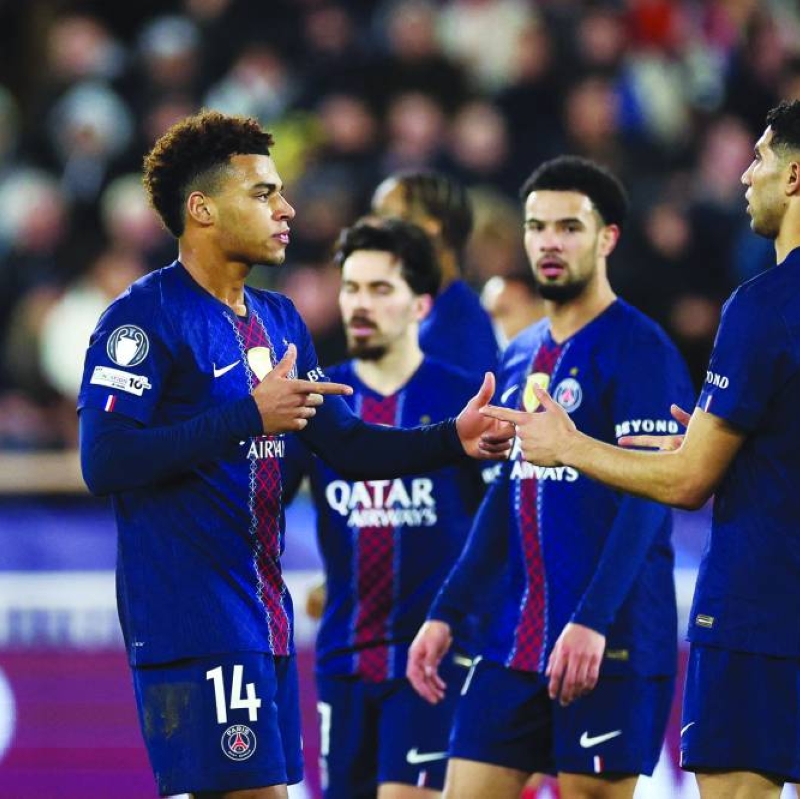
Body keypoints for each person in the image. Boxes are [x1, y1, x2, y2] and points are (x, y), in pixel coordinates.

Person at [476, 100, 800, 799]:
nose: (747, 175)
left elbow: (687, 483)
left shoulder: (765, 302)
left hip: (760, 612)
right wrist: (746, 452)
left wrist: (570, 444)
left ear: (796, 177)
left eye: (761, 158)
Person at [76, 110, 511, 799]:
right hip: (192, 622)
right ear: (203, 210)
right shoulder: (142, 319)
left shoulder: (278, 319)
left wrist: (450, 437)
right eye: (263, 194)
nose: (287, 209)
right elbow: (104, 461)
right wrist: (251, 415)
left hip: (265, 620)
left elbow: (346, 444)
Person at [406, 156, 693, 799]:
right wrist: (447, 611)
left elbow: (648, 499)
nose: (549, 243)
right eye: (537, 227)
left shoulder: (642, 350)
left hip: (609, 641)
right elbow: (506, 497)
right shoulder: (518, 351)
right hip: (515, 641)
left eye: (569, 227)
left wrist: (594, 621)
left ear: (607, 238)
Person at [304, 216, 489, 798]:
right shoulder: (315, 402)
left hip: (435, 657)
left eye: (381, 289)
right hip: (343, 658)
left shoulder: (464, 400)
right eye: (351, 288)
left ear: (420, 305)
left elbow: (503, 528)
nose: (361, 304)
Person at [373, 170, 498, 379]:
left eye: (388, 217)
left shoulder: (462, 325)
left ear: (431, 227)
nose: (375, 230)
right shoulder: (413, 314)